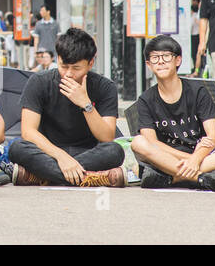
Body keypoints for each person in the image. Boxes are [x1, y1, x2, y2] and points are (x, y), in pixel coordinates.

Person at [7, 28, 126, 188]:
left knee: (115, 151)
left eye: (76, 68)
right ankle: (89, 177)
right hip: (48, 152)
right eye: (64, 66)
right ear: (57, 58)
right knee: (17, 148)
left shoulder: (105, 87)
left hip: (88, 152)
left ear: (91, 63)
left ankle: (41, 177)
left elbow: (106, 137)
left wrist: (86, 104)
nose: (69, 74)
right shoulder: (39, 81)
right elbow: (28, 132)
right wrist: (61, 157)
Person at [132, 35, 215, 192]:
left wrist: (196, 157)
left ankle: (170, 179)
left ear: (178, 60)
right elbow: (151, 142)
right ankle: (200, 179)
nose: (161, 61)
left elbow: (214, 135)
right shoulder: (146, 99)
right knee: (138, 142)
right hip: (166, 158)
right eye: (155, 58)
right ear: (149, 65)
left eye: (166, 56)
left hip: (197, 156)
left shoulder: (198, 92)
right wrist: (190, 161)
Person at [31, 5, 58, 70]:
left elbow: (58, 39)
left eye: (42, 10)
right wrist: (35, 52)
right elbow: (36, 40)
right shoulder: (38, 24)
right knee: (40, 70)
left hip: (52, 52)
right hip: (41, 53)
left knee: (53, 69)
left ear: (48, 12)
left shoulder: (55, 24)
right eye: (40, 11)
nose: (41, 12)